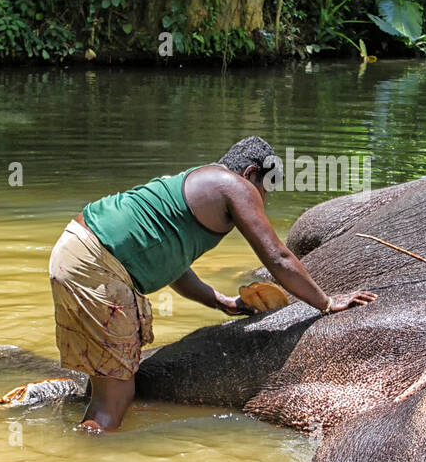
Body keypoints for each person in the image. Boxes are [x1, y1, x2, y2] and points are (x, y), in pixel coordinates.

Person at [49, 137, 377, 433]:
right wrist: (327, 302)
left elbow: (174, 266)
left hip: (75, 250)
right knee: (117, 397)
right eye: (265, 189)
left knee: (107, 385)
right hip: (99, 264)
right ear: (250, 174)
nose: (262, 200)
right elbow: (277, 257)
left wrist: (222, 301)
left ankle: (87, 448)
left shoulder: (198, 182)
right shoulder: (234, 186)